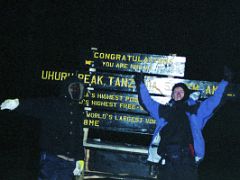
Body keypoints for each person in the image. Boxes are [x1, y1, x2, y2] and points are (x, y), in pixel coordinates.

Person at [134, 68, 231, 180]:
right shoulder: (164, 111)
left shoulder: (196, 110)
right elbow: (147, 102)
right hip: (166, 161)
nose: (178, 93)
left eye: (181, 91)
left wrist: (225, 81)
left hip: (187, 162)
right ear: (172, 95)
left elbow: (215, 101)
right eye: (175, 91)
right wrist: (140, 82)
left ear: (186, 94)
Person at [1, 75, 85, 180]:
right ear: (66, 88)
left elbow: (78, 137)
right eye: (73, 87)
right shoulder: (53, 104)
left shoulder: (78, 112)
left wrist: (80, 159)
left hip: (68, 166)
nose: (76, 91)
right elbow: (35, 105)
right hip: (51, 161)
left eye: (79, 88)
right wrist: (17, 104)